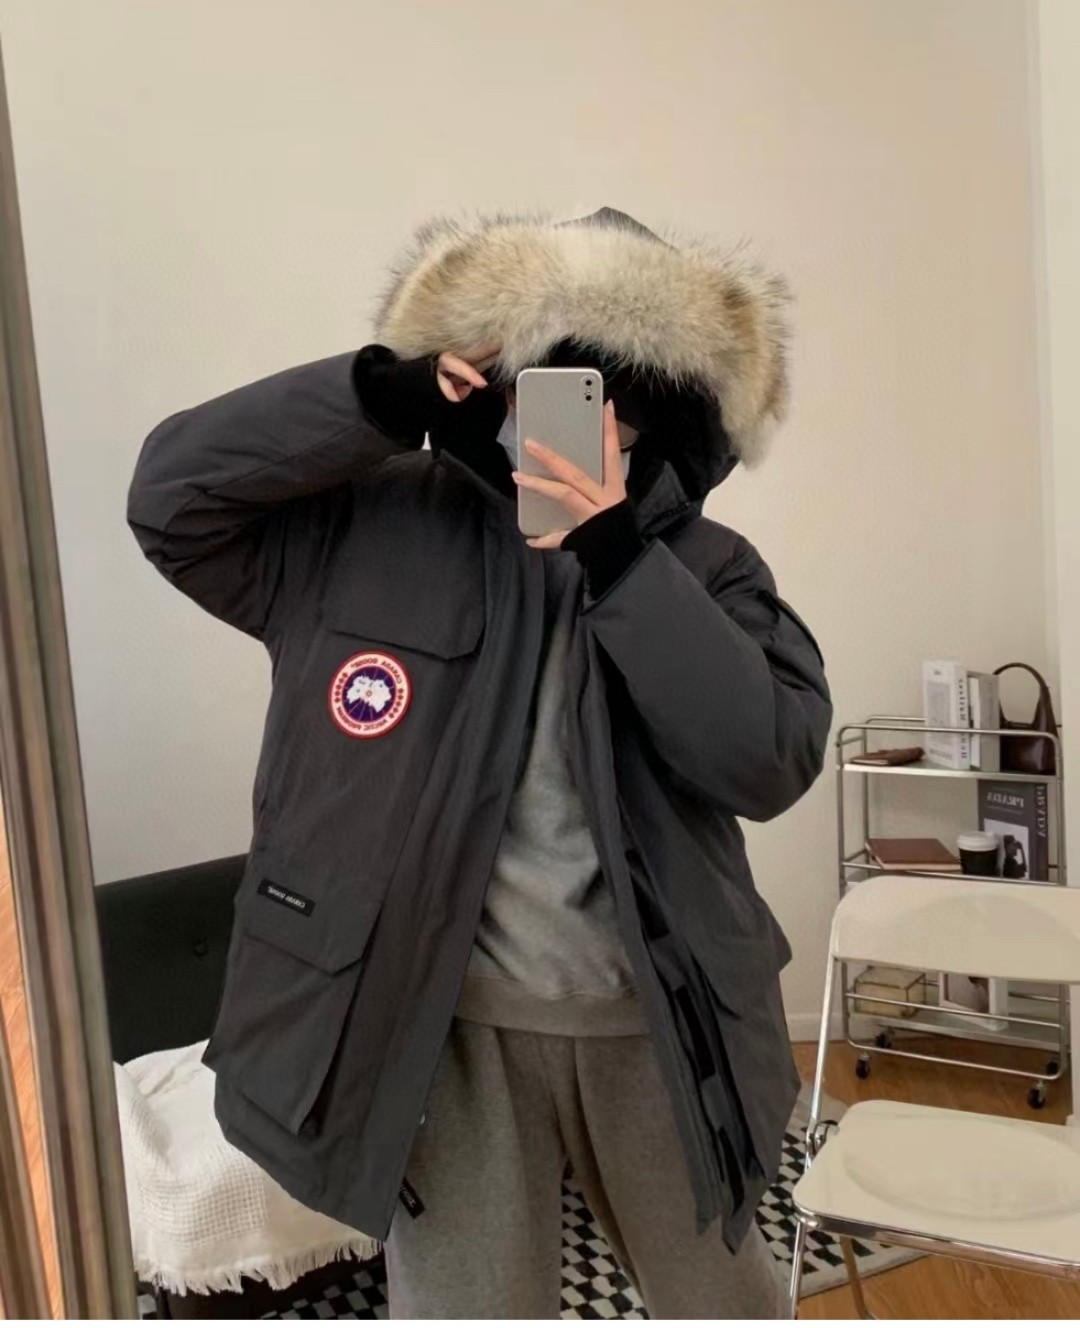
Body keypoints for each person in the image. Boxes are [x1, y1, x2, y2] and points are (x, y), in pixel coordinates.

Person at [127, 207, 831, 1318]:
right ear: (490, 386)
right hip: (436, 1029)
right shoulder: (365, 532)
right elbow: (173, 502)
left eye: (615, 394)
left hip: (658, 1023)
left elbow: (770, 759)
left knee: (726, 1301)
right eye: (548, 383)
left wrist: (620, 558)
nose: (580, 418)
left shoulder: (709, 566)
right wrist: (374, 398)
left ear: (665, 413)